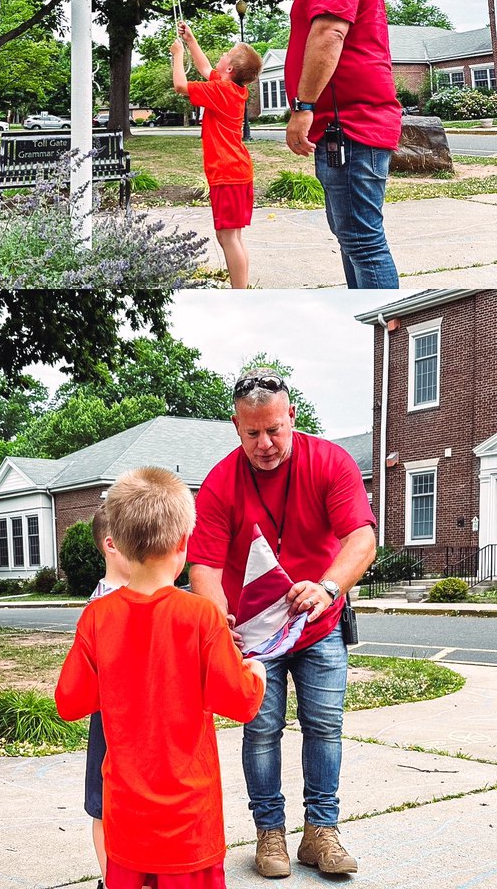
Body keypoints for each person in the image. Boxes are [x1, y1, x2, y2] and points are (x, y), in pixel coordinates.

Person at [188, 368, 377, 878]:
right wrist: (214, 617)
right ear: (236, 427)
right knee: (262, 730)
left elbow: (361, 538)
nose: (265, 443)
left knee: (325, 727)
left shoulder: (331, 462)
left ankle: (321, 832)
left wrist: (328, 587)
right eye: (253, 433)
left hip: (319, 623)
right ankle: (269, 833)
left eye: (274, 429)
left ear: (291, 415)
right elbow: (202, 564)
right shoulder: (220, 482)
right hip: (254, 636)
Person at [56, 467, 266, 889]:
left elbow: (70, 702)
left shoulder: (98, 617)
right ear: (183, 542)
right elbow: (240, 703)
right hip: (190, 821)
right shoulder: (201, 616)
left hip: (127, 818)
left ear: (117, 543)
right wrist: (255, 672)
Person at [284, 0, 402, 289]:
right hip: (353, 125)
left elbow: (329, 32)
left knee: (363, 242)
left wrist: (304, 107)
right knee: (353, 239)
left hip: (350, 125)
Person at [171, 24, 264, 289]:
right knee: (232, 237)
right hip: (236, 172)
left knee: (228, 238)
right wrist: (190, 40)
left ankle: (240, 292)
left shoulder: (221, 91)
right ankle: (241, 288)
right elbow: (205, 69)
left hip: (227, 173)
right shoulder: (231, 88)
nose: (222, 55)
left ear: (230, 70)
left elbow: (180, 85)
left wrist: (178, 54)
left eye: (227, 53)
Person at [82, 499, 133, 887]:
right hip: (111, 721)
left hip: (146, 724)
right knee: (104, 807)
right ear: (113, 544)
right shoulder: (101, 605)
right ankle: (110, 880)